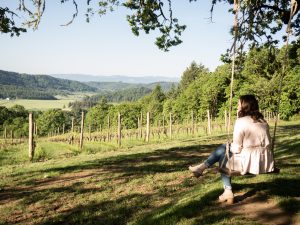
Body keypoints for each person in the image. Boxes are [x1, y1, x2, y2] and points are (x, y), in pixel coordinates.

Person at [188, 94, 275, 204]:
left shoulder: (241, 121)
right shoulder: (263, 121)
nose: (237, 106)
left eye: (238, 104)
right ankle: (201, 169)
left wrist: (230, 146)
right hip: (265, 160)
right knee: (225, 147)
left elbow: (236, 149)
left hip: (249, 161)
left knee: (224, 156)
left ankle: (226, 189)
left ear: (245, 106)